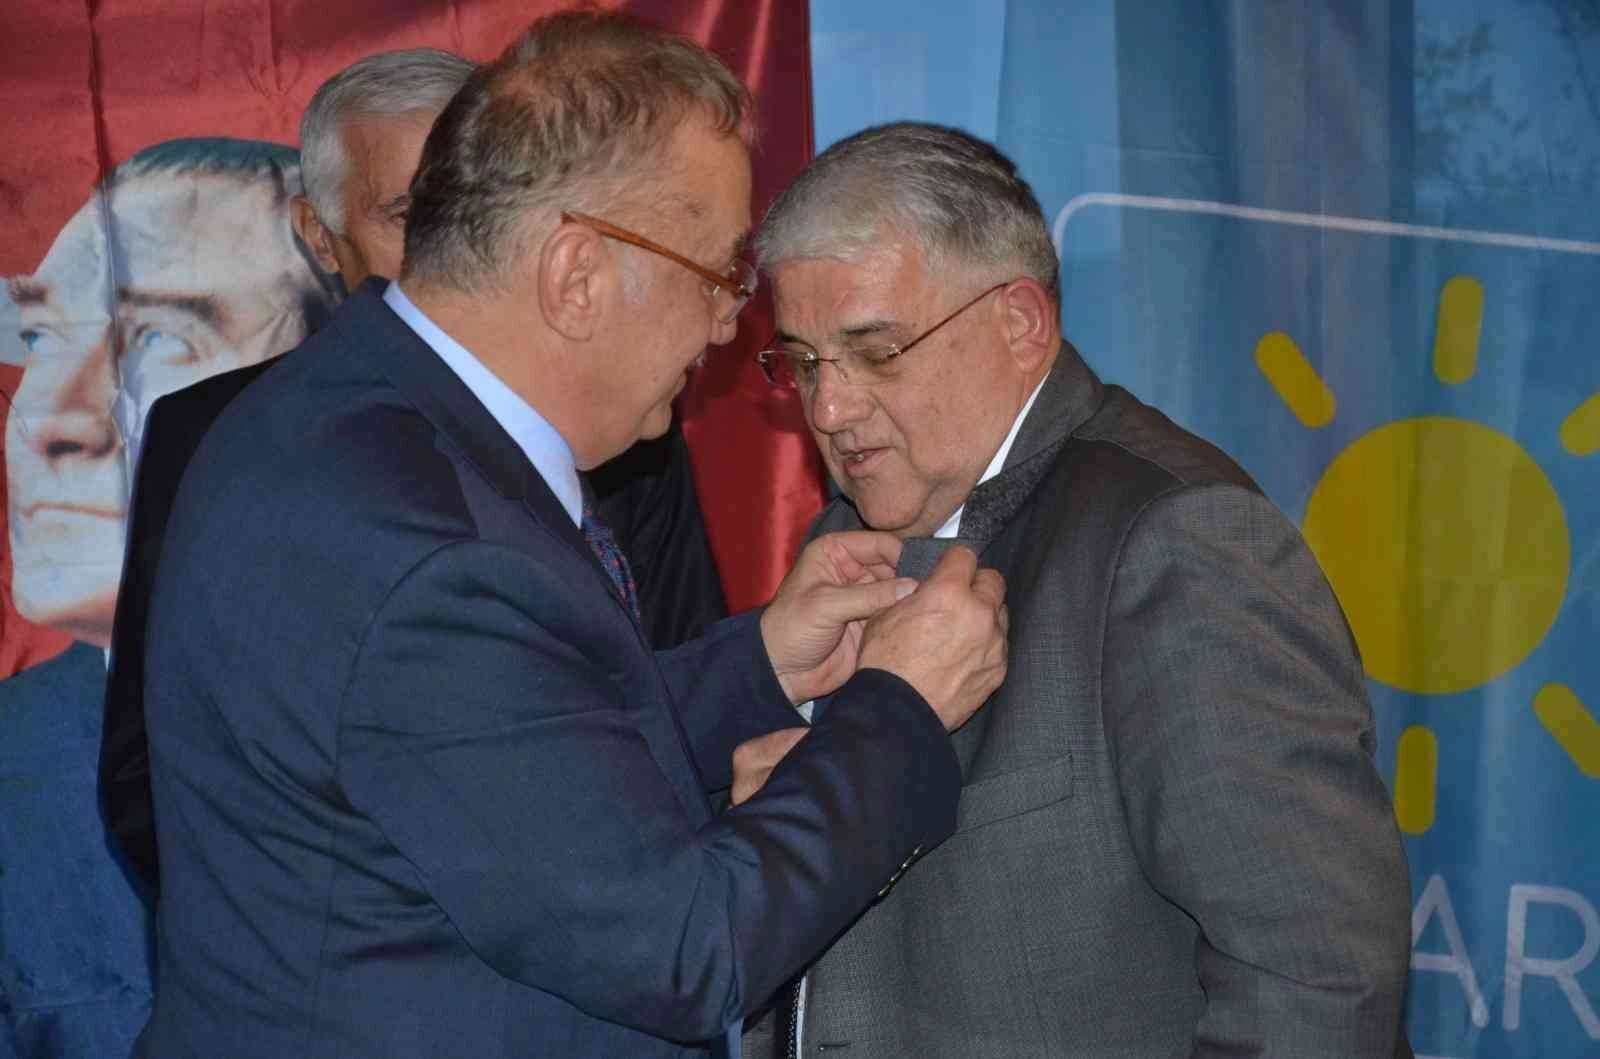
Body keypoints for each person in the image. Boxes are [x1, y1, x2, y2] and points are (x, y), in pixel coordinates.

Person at [137, 14, 1008, 1059]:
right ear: (577, 274)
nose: (728, 322)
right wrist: (896, 709)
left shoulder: (352, 416)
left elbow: (510, 767)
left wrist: (761, 664)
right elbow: (684, 949)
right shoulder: (433, 542)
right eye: (718, 272)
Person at [740, 122, 1413, 1058]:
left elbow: (1316, 977)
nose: (829, 408)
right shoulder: (842, 542)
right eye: (805, 362)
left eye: (878, 351)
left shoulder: (1178, 542)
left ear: (1020, 323)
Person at [101, 46, 728, 899]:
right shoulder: (217, 436)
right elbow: (152, 767)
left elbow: (674, 691)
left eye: (466, 213)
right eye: (410, 217)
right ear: (318, 235)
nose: (448, 251)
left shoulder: (625, 423)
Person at [0, 136, 339, 1058]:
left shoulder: (460, 702)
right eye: (44, 340)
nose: (54, 416)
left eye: (158, 338)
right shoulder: (17, 764)